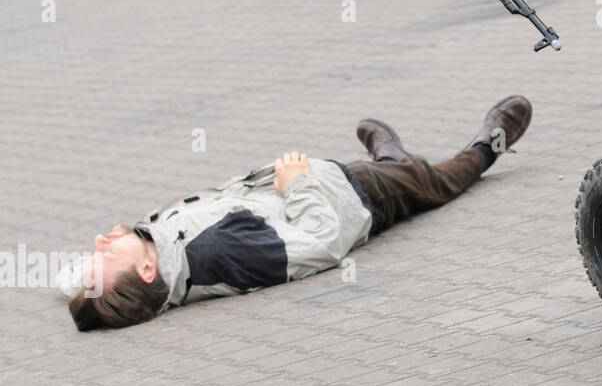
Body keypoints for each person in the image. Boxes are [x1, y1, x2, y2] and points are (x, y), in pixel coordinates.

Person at [66, 97, 532, 331]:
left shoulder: (158, 255)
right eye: (106, 256)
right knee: (437, 182)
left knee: (398, 170)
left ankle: (390, 155)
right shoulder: (219, 254)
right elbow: (323, 243)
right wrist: (298, 184)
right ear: (147, 272)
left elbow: (80, 286)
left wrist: (89, 290)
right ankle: (488, 145)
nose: (99, 243)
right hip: (355, 198)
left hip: (329, 180)